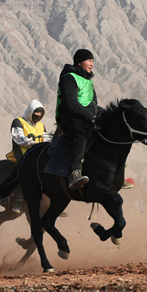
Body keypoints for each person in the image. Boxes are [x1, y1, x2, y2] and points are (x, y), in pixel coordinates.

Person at [56, 48, 98, 189]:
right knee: (80, 134)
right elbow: (71, 103)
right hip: (69, 117)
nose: (91, 63)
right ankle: (74, 173)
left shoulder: (89, 82)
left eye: (93, 61)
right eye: (89, 60)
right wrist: (91, 118)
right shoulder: (69, 78)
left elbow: (94, 105)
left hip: (85, 116)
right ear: (79, 62)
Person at [6, 99, 51, 164]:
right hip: (22, 155)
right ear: (30, 112)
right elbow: (18, 138)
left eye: (40, 114)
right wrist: (32, 143)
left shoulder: (41, 126)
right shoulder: (19, 122)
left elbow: (46, 139)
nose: (38, 115)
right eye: (36, 113)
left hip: (38, 154)